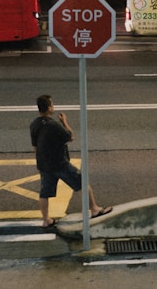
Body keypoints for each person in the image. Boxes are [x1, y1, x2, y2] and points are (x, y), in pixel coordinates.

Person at [30, 94, 112, 228]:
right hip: (60, 164)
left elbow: (35, 147)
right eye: (52, 104)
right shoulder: (53, 125)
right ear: (49, 108)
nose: (53, 106)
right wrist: (64, 122)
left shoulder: (33, 124)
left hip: (44, 166)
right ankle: (95, 209)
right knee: (83, 183)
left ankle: (46, 220)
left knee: (44, 193)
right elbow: (70, 136)